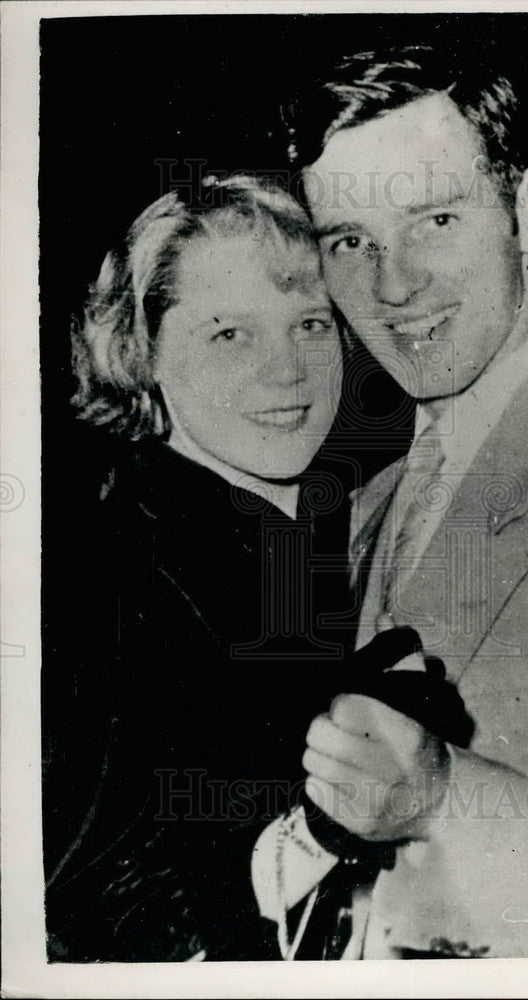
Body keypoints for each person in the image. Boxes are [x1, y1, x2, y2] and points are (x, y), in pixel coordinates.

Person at [267, 46, 528, 958]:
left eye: (433, 219)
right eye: (349, 241)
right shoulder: (368, 509)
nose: (391, 286)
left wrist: (444, 802)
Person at [42, 175, 360, 961]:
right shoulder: (107, 577)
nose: (289, 371)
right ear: (139, 349)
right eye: (230, 335)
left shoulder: (339, 527)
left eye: (312, 325)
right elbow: (82, 900)